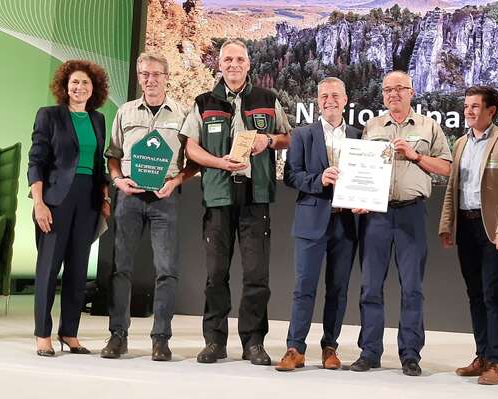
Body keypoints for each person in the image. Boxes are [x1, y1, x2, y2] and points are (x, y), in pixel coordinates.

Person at [182, 39, 291, 366]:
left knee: (257, 275)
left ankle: (254, 343)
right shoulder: (204, 102)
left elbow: (288, 136)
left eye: (239, 59)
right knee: (216, 274)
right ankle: (214, 342)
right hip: (218, 196)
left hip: (255, 198)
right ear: (220, 64)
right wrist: (218, 163)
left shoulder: (268, 100)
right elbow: (190, 148)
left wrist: (267, 140)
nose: (233, 64)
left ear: (248, 64)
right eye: (227, 59)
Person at [351, 70, 452, 376]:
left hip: (411, 213)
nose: (393, 94)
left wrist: (416, 156)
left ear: (411, 92)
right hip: (376, 216)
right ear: (382, 95)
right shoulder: (371, 127)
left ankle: (410, 355)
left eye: (399, 89)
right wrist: (358, 195)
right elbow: (358, 167)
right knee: (370, 286)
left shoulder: (429, 127)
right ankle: (369, 352)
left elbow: (447, 168)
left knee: (412, 288)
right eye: (387, 90)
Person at [101, 52, 197, 362]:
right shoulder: (125, 112)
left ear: (167, 77)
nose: (150, 79)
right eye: (144, 74)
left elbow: (194, 161)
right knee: (120, 268)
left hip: (164, 198)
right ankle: (118, 336)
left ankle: (161, 339)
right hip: (129, 196)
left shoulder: (183, 114)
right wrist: (117, 180)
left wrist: (176, 182)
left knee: (166, 270)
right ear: (139, 77)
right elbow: (113, 154)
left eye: (156, 74)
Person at [438, 85, 498, 385]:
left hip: (493, 229)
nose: (469, 111)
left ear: (491, 110)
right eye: (466, 106)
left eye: (475, 106)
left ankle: (496, 362)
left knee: (493, 294)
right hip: (466, 225)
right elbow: (452, 189)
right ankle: (482, 355)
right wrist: (446, 224)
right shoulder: (460, 143)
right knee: (475, 294)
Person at [275, 77, 360, 372]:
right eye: (324, 96)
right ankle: (295, 348)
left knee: (338, 289)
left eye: (335, 95)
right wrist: (318, 180)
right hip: (311, 221)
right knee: (303, 287)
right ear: (318, 100)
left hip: (346, 223)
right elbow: (291, 176)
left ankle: (330, 348)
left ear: (345, 99)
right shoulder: (302, 135)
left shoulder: (358, 135)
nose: (329, 100)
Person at [28, 60, 110, 357]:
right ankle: (42, 334)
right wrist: (39, 203)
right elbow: (36, 161)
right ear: (65, 86)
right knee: (49, 270)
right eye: (74, 82)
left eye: (85, 83)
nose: (79, 87)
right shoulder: (49, 116)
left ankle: (70, 332)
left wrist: (104, 197)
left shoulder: (98, 119)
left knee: (78, 270)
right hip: (56, 200)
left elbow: (99, 163)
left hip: (87, 200)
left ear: (94, 89)